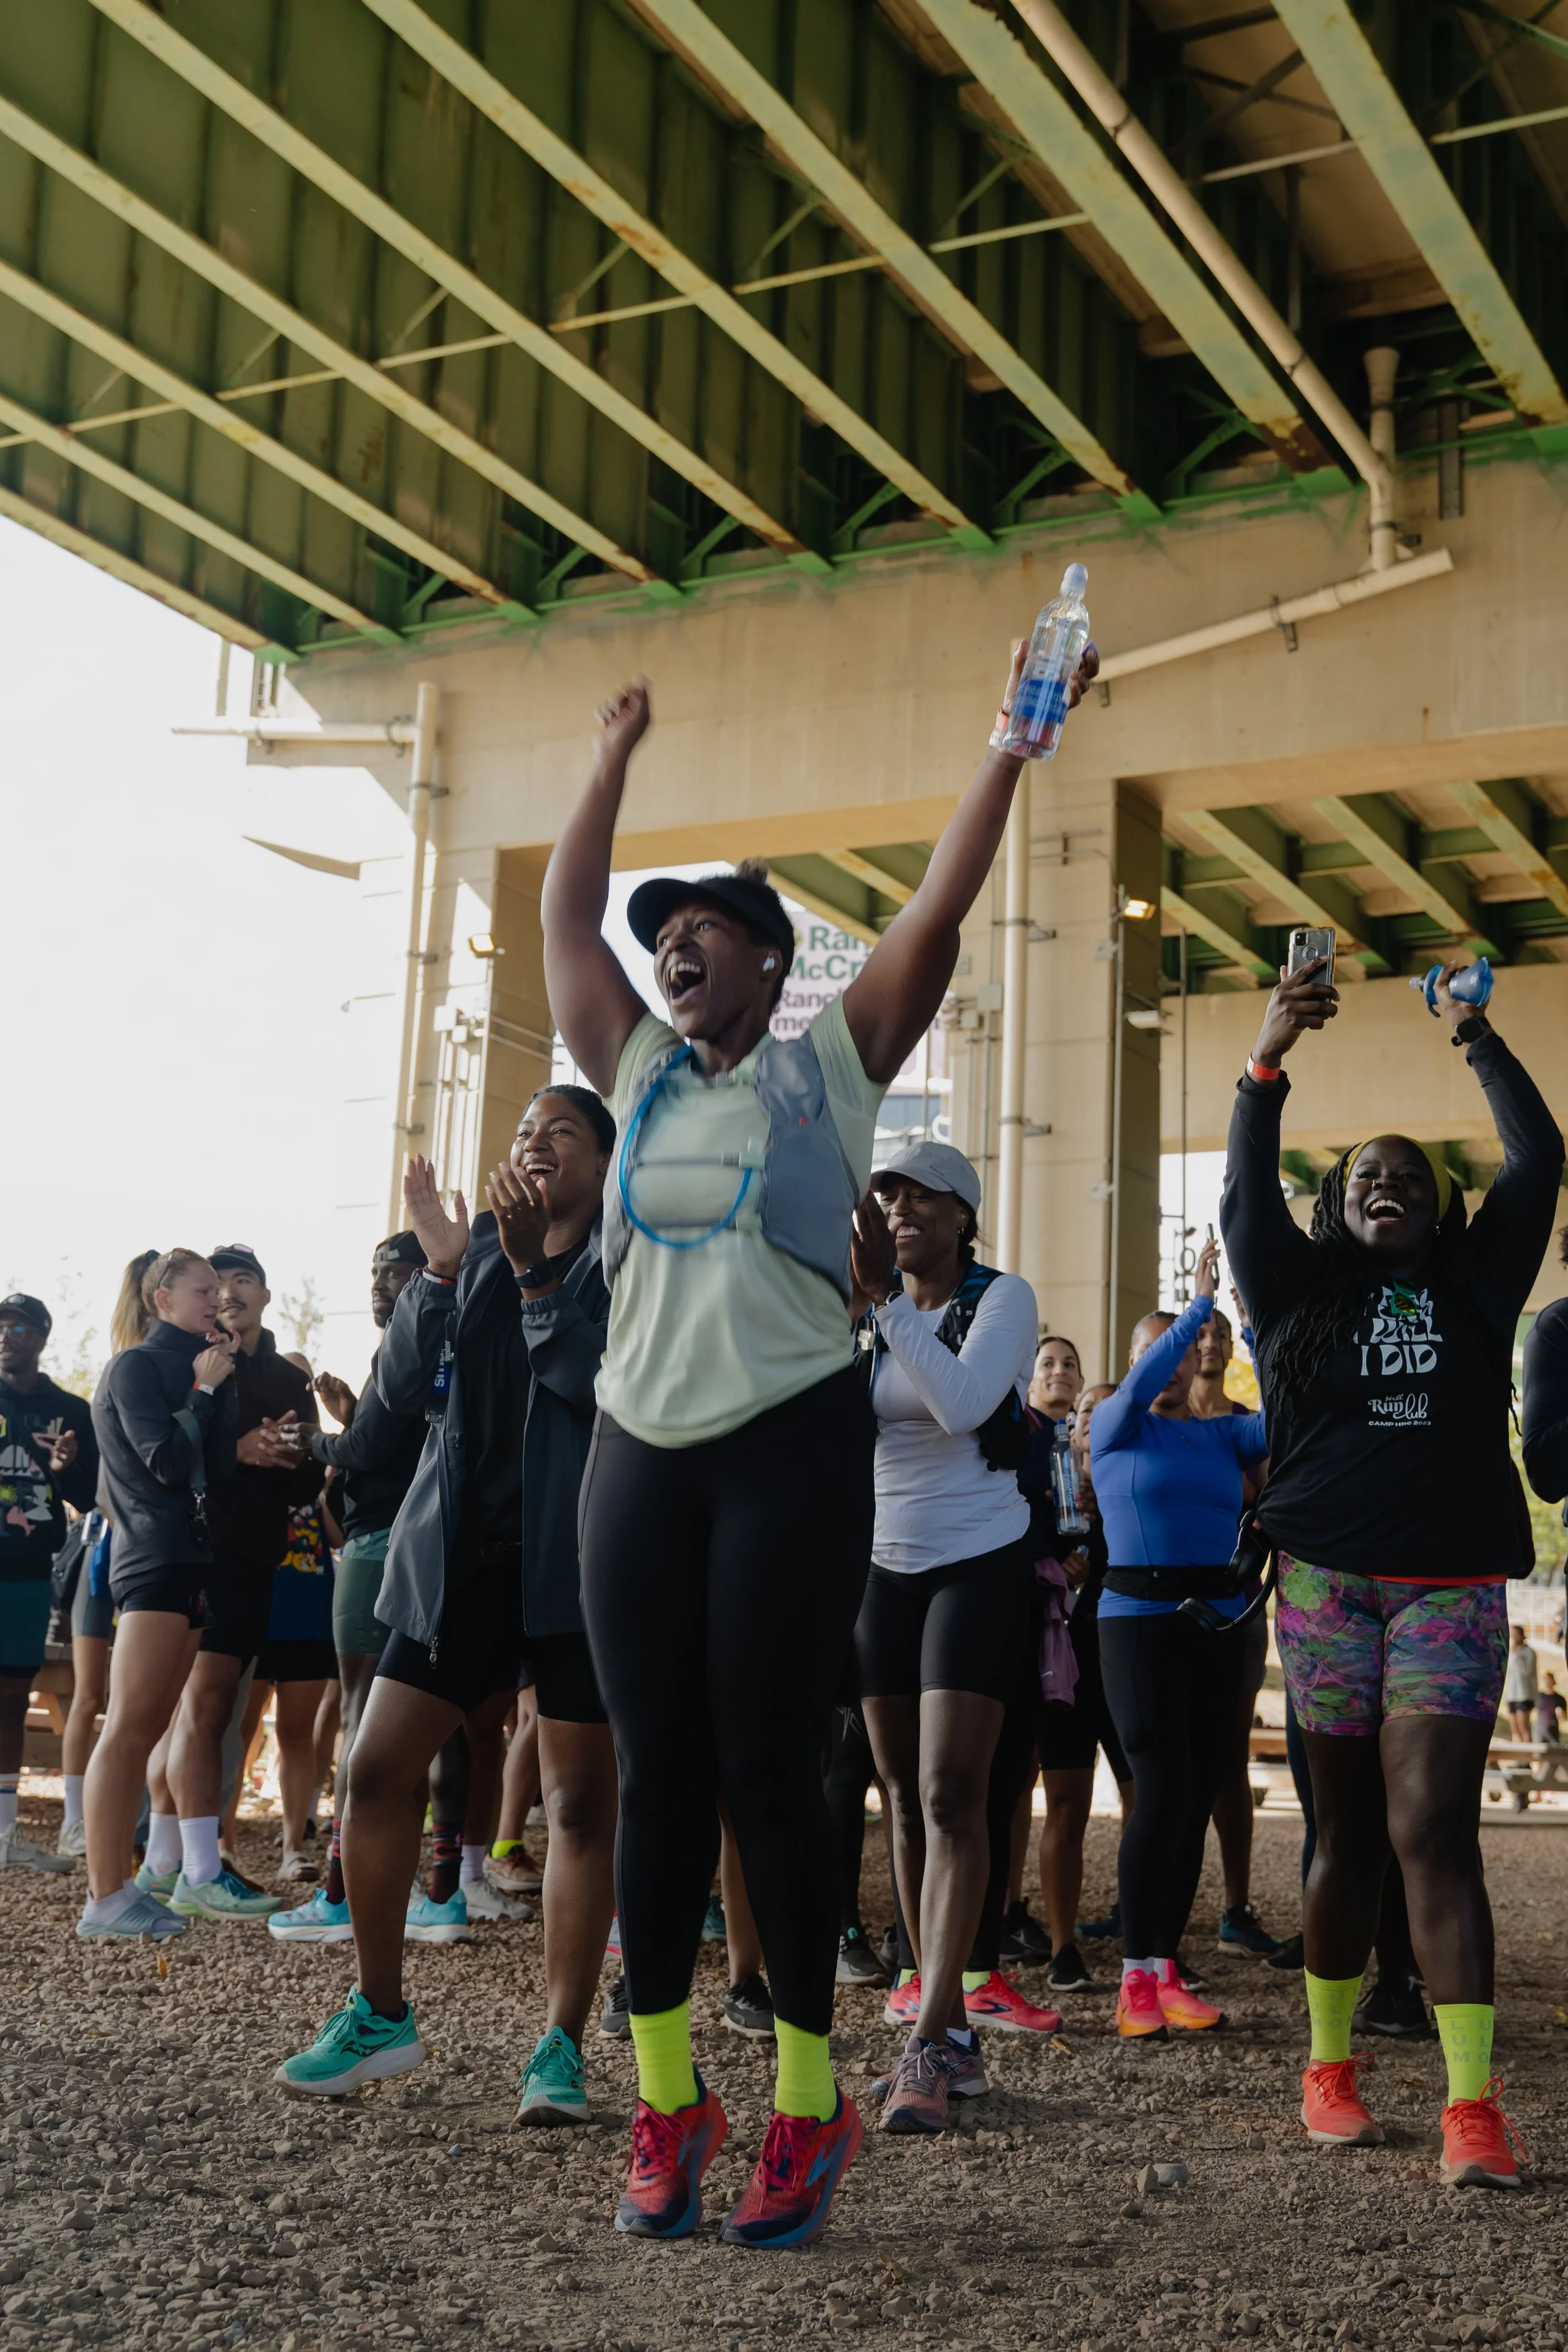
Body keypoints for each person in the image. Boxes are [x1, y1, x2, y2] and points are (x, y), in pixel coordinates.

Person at [542, 644, 1095, 2245]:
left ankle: (802, 2093)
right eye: (667, 938)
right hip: (637, 1451)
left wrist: (1009, 740)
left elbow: (939, 903)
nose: (670, 947)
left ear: (771, 957)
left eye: (701, 927)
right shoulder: (636, 1074)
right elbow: (572, 921)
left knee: (776, 1770)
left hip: (789, 1444)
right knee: (656, 1777)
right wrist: (608, 770)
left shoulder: (828, 1066)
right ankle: (663, 2101)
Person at [1220, 955, 1562, 2186]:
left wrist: (1471, 1035)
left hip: (1447, 1583)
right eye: (1362, 1177)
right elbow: (1241, 1187)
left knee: (1432, 1826)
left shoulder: (1477, 1288)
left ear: (1438, 1206)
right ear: (1334, 1205)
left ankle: (1471, 2108)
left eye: (1406, 1178)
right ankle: (1329, 2066)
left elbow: (1536, 1160)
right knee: (1348, 1835)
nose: (1384, 1187)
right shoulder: (1290, 1288)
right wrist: (1263, 1062)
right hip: (1319, 1584)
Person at [279, 1085, 620, 2127]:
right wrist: (439, 1269)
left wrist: (525, 1272)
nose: (535, 1145)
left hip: (579, 1562)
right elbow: (386, 1411)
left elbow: (597, 1381)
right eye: (524, 1133)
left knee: (574, 1807)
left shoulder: (630, 1260)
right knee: (376, 1769)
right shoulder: (470, 1258)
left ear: (608, 1162)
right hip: (461, 1558)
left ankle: (559, 2046)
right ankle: (380, 2012)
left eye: (560, 1131)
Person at [848, 1141, 1048, 2135]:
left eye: (923, 1193)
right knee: (902, 1802)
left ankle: (928, 2034)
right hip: (884, 1565)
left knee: (948, 1792)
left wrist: (884, 1308)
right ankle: (951, 2023)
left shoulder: (1003, 1299)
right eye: (889, 1194)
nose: (902, 1207)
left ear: (965, 1213)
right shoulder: (862, 1310)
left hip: (978, 1557)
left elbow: (965, 1403)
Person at [1090, 1237, 1268, 2040]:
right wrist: (1196, 1306)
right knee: (1158, 1789)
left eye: (1187, 1348)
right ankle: (1133, 1976)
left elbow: (1291, 1415)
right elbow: (1146, 1371)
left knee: (1195, 1797)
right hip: (1140, 1625)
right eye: (1162, 1348)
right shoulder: (1114, 1428)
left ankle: (1164, 1966)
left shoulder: (1220, 1435)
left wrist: (1260, 1329)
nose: (1178, 1360)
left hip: (1219, 1622)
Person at [140, 1244, 314, 1920]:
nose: (228, 1292)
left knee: (206, 1714)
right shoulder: (190, 1363)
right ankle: (198, 1869)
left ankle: (162, 1863)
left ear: (265, 1296)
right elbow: (163, 1459)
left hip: (256, 1559)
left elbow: (305, 1482)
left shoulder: (283, 1375)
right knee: (202, 1709)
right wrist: (237, 1450)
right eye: (217, 1283)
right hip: (197, 1553)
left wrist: (285, 1450)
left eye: (244, 1279)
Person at [270, 1233, 432, 1944]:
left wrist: (313, 1441)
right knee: (412, 1722)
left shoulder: (409, 1338)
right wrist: (351, 1418)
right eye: (375, 1272)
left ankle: (340, 1892)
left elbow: (368, 1454)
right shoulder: (439, 1336)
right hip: (425, 1540)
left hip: (377, 1544)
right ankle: (430, 1890)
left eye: (396, 1273)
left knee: (361, 1716)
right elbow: (385, 1439)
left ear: (427, 1277)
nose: (380, 1284)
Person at [80, 1251, 239, 1939]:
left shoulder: (205, 1363)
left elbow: (219, 1468)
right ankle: (105, 1896)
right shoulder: (136, 1367)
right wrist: (203, 1394)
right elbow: (168, 1462)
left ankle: (122, 1889)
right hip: (150, 1557)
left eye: (222, 1288)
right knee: (126, 1726)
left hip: (193, 1559)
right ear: (161, 1297)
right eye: (204, 1289)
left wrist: (220, 1386)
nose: (219, 1297)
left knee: (150, 1727)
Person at [1019, 1370, 1133, 1994]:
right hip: (1066, 1660)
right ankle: (1064, 1946)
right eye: (1088, 1413)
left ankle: (1148, 1945)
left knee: (1143, 1802)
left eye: (1113, 1414)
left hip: (1128, 1663)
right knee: (1066, 1803)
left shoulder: (1137, 1485)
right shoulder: (1050, 1482)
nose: (1096, 1422)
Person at [1186, 1302, 1282, 1961]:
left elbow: (1273, 1510)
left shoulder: (1249, 1427)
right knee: (1159, 1763)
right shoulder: (1153, 1419)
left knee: (1227, 1761)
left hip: (1235, 1610)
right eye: (1201, 1331)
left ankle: (1235, 1908)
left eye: (1221, 1333)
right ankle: (1154, 1905)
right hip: (1159, 1610)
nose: (1212, 1341)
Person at [0, 1293, 98, 1873]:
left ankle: (7, 1833)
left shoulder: (70, 1410)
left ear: (41, 1337)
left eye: (18, 1327)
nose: (7, 1336)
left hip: (29, 1571)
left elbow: (88, 1500)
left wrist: (68, 1468)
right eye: (0, 1328)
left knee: (14, 1696)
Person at [58, 1508, 115, 1858]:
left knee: (138, 1703)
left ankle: (132, 1817)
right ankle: (73, 1820)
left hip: (149, 1551)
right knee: (89, 1696)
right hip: (100, 1546)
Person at [1503, 1624, 1539, 1745]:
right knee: (1515, 1728)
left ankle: (1530, 1759)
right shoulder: (1511, 1652)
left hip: (1524, 1694)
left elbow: (1527, 1672)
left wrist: (1518, 1657)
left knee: (1524, 1727)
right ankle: (1519, 1757)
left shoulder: (1529, 1652)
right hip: (1512, 1694)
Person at [1535, 1671, 1565, 1745]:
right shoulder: (1538, 1696)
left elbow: (1564, 1719)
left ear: (1553, 1681)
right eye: (1545, 1680)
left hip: (1553, 1731)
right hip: (1539, 1732)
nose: (1547, 1682)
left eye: (1549, 1679)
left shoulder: (1560, 1699)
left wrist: (1561, 1714)